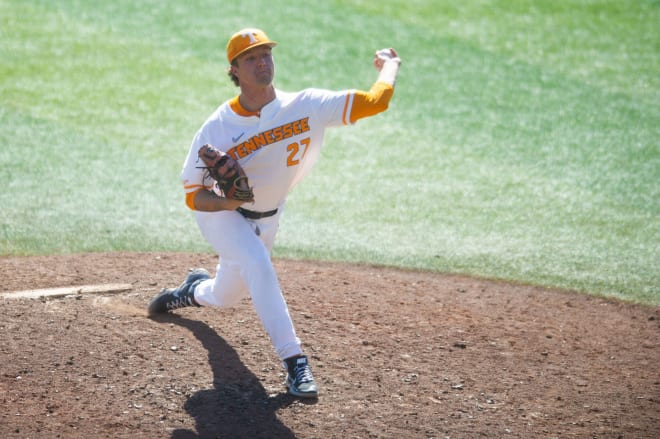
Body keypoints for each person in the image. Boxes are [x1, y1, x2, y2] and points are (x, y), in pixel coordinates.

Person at [147, 28, 401, 399]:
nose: (262, 62)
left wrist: (390, 66)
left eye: (266, 54)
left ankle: (191, 291)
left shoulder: (307, 105)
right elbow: (193, 196)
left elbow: (375, 101)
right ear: (234, 70)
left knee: (225, 295)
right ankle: (295, 362)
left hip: (268, 217)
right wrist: (228, 203)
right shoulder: (216, 128)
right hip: (223, 216)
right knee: (258, 264)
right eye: (251, 57)